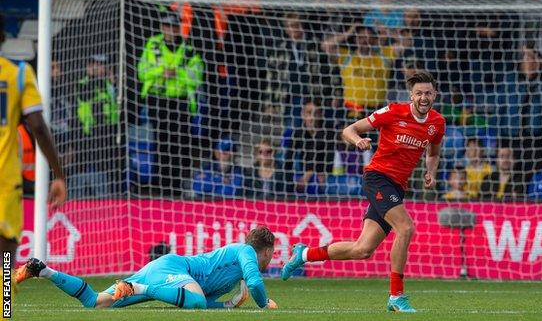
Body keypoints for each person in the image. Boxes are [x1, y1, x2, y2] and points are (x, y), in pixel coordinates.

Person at [281, 71, 445, 313]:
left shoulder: (437, 123)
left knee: (363, 249)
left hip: (397, 187)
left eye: (428, 93)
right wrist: (357, 141)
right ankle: (396, 296)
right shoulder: (392, 111)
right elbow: (349, 129)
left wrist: (430, 171)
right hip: (378, 177)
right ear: (411, 95)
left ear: (435, 95)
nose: (423, 97)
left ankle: (304, 254)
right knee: (406, 227)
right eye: (419, 93)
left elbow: (433, 153)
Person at [16, 226, 278, 310]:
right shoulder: (245, 252)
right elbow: (255, 282)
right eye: (271, 255)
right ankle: (136, 287)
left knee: (96, 302)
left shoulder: (235, 266)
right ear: (265, 251)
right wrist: (264, 304)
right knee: (196, 301)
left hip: (166, 275)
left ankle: (42, 270)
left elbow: (199, 299)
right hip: (172, 269)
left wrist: (228, 306)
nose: (269, 260)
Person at [0, 15, 67, 266]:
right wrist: (58, 174)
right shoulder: (17, 74)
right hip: (4, 182)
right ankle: (3, 306)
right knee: (4, 260)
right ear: (3, 38)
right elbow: (38, 126)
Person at [138, 9, 204, 197]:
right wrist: (161, 71)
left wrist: (177, 74)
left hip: (180, 102)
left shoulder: (188, 49)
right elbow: (142, 71)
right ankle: (160, 187)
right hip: (158, 101)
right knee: (161, 143)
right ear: (161, 27)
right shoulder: (152, 45)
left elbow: (196, 75)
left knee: (180, 145)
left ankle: (176, 187)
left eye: (174, 26)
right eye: (167, 25)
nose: (170, 29)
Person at [69, 54, 120, 198]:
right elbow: (86, 96)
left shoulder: (109, 83)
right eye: (95, 64)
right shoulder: (81, 83)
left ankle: (108, 198)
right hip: (86, 133)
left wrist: (113, 83)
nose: (99, 67)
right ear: (89, 66)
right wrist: (92, 77)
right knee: (81, 169)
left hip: (108, 131)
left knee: (107, 171)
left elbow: (116, 101)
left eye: (102, 64)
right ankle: (77, 199)